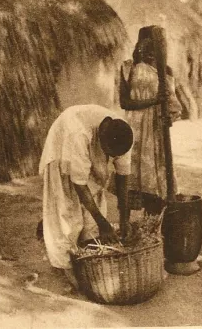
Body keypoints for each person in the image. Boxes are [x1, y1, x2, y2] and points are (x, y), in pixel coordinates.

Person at [38, 104, 133, 289]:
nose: (111, 159)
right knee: (66, 208)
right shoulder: (78, 134)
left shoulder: (123, 133)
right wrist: (104, 223)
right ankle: (66, 263)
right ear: (103, 143)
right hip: (62, 144)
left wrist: (125, 218)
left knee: (96, 192)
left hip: (88, 143)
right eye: (110, 155)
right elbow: (79, 186)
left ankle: (87, 250)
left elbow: (123, 177)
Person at [119, 26, 182, 212]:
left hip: (156, 128)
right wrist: (154, 100)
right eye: (144, 46)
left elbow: (173, 105)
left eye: (153, 47)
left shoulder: (166, 72)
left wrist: (168, 117)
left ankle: (153, 223)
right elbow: (124, 102)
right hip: (135, 127)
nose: (147, 51)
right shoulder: (128, 68)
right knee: (130, 175)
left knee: (156, 176)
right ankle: (126, 226)